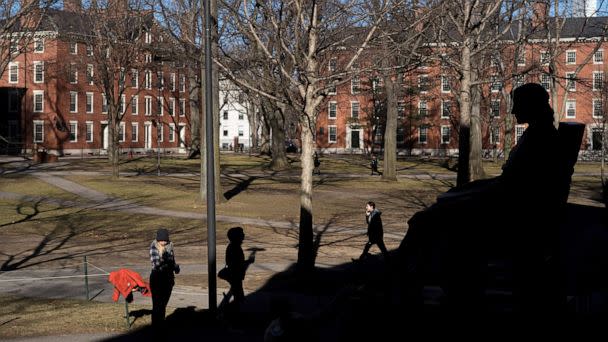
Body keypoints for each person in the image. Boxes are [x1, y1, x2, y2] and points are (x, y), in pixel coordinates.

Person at [398, 83, 562, 313]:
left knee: (424, 220)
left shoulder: (539, 140)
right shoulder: (539, 134)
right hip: (510, 211)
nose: (513, 111)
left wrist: (465, 196)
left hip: (509, 219)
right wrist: (468, 190)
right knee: (437, 210)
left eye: (517, 105)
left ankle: (398, 281)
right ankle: (404, 277)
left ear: (531, 106)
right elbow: (509, 184)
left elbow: (510, 190)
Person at [149, 228, 180, 327]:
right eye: (161, 240)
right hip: (157, 278)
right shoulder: (154, 247)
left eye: (165, 240)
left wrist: (175, 267)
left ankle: (161, 323)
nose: (163, 242)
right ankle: (156, 326)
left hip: (168, 279)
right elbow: (157, 264)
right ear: (157, 240)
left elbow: (172, 261)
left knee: (163, 304)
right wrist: (167, 261)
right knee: (157, 304)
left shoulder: (170, 246)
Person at [225, 227, 255, 305]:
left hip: (236, 275)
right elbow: (235, 263)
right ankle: (234, 314)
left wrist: (247, 261)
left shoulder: (234, 246)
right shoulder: (234, 247)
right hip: (235, 275)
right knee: (239, 297)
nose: (244, 235)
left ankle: (235, 312)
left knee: (238, 296)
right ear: (237, 236)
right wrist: (247, 262)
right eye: (241, 233)